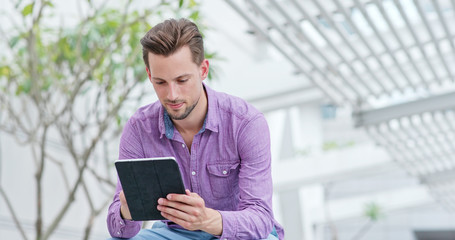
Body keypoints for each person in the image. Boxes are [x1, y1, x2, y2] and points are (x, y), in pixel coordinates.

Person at [106, 18, 284, 240]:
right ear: (150, 76)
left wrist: (207, 220)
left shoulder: (246, 123)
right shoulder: (138, 128)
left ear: (203, 70)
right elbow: (119, 231)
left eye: (182, 80)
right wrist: (127, 211)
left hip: (237, 233)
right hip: (174, 234)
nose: (172, 95)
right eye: (160, 82)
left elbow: (260, 219)